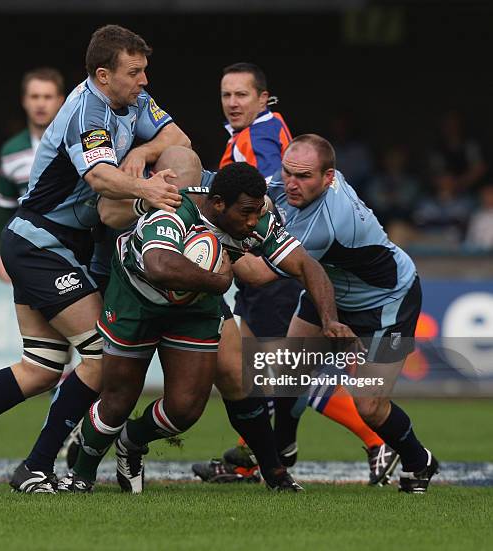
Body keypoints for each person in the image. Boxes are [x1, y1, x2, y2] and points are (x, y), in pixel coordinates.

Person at [0, 24, 189, 494]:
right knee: (100, 352)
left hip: (46, 243)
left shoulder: (130, 102)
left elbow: (178, 137)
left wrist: (141, 148)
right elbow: (99, 178)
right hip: (41, 243)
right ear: (102, 74)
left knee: (41, 363)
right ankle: (36, 466)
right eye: (135, 72)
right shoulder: (86, 111)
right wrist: (147, 186)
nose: (144, 81)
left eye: (145, 71)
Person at [61, 161, 357, 494]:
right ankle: (80, 475)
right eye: (245, 212)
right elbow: (159, 265)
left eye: (257, 211)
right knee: (118, 398)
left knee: (185, 410)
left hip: (194, 307)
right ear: (218, 205)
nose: (251, 220)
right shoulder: (174, 211)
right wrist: (216, 280)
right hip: (135, 300)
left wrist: (330, 319)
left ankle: (132, 441)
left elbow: (306, 265)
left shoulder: (257, 221)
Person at [195, 63, 394, 486]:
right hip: (271, 267)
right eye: (226, 95)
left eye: (241, 95)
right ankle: (252, 457)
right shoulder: (261, 130)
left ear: (263, 99)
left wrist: (246, 248)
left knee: (283, 374)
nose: (232, 103)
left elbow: (267, 200)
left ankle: (377, 440)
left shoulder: (260, 137)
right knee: (246, 369)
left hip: (274, 269)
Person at [229, 134, 439, 493]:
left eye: (304, 177)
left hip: (386, 301)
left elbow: (259, 274)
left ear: (329, 178)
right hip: (328, 289)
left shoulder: (325, 224)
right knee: (288, 370)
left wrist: (212, 242)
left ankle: (420, 461)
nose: (292, 183)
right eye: (288, 172)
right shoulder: (300, 181)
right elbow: (261, 194)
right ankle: (284, 449)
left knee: (370, 406)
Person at [0, 67, 66, 282]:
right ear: (24, 100)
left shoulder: (74, 143)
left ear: (61, 100)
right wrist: (2, 252)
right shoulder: (10, 151)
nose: (41, 103)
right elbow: (4, 207)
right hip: (27, 251)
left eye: (47, 96)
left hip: (73, 248)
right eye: (34, 96)